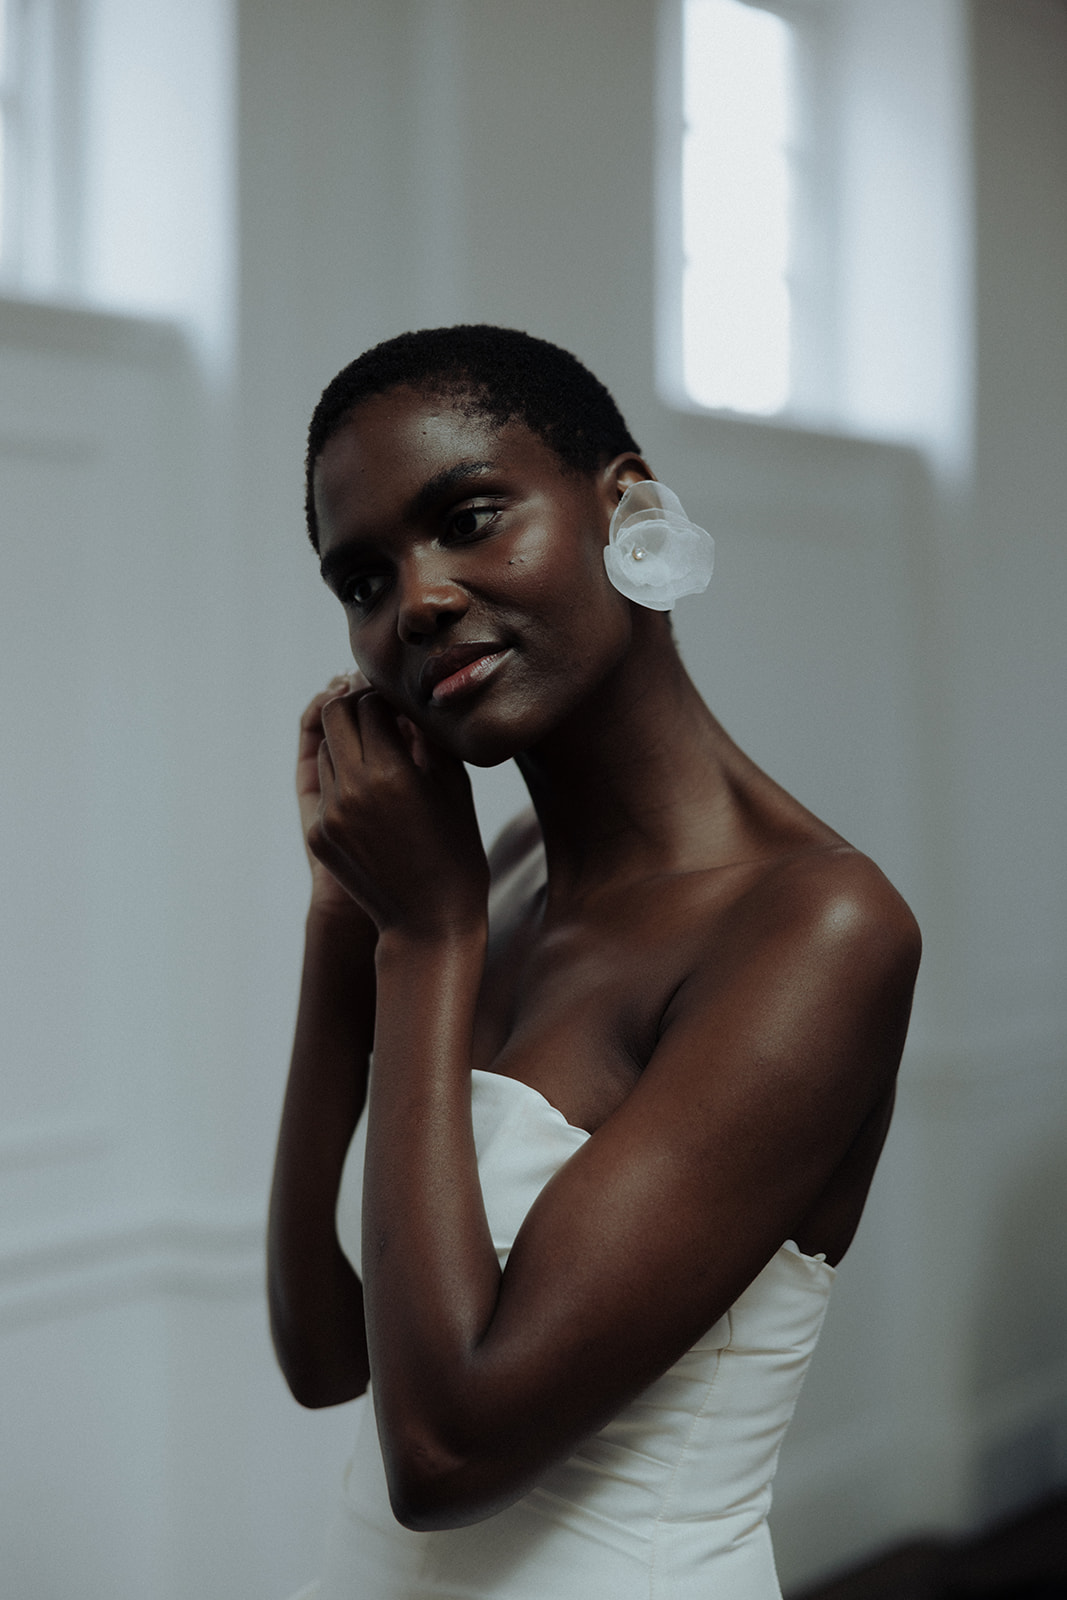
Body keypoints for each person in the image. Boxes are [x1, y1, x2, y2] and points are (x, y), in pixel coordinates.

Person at [269, 325, 921, 1600]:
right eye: (362, 582)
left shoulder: (815, 928)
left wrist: (425, 939)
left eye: (466, 516)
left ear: (623, 507)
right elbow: (322, 1351)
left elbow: (445, 1449)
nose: (419, 599)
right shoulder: (494, 871)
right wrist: (339, 922)